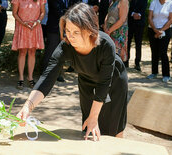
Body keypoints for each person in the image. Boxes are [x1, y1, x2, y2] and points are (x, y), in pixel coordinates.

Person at [16, 3, 128, 140]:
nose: (70, 37)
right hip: (86, 79)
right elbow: (47, 77)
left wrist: (94, 116)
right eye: (68, 31)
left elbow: (104, 83)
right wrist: (28, 106)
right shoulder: (65, 47)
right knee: (88, 129)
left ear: (89, 30)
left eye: (76, 32)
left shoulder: (106, 44)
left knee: (113, 129)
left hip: (113, 80)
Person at [11, 0, 46, 89]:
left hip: (34, 28)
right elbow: (14, 13)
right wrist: (23, 23)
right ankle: (21, 78)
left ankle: (30, 77)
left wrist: (37, 22)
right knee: (22, 52)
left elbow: (43, 12)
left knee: (32, 52)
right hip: (22, 27)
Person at [147, 0, 172, 82]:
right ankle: (154, 72)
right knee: (154, 51)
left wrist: (161, 31)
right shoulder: (154, 2)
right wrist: (155, 30)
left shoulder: (171, 3)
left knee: (163, 52)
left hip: (165, 30)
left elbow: (171, 19)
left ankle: (166, 75)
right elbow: (149, 17)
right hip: (152, 29)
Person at [104, 0, 129, 67]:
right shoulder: (113, 1)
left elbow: (122, 20)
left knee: (117, 58)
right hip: (110, 32)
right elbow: (108, 15)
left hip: (118, 33)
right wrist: (105, 27)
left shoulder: (123, 1)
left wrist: (109, 30)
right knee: (110, 57)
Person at [127, 0, 148, 70]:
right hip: (130, 23)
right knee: (127, 42)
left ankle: (137, 63)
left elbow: (144, 8)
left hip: (140, 23)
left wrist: (139, 14)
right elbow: (127, 7)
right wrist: (133, 14)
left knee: (138, 43)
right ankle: (126, 60)